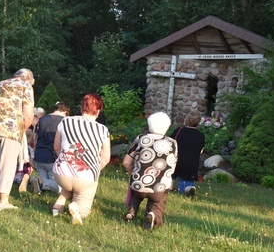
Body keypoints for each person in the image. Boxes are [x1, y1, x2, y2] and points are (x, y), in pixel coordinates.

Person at [51, 93, 111, 224]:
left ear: (81, 108)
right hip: (85, 176)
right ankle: (76, 207)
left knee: (71, 183)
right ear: (98, 111)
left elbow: (56, 147)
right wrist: (94, 169)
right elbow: (105, 158)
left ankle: (58, 204)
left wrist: (64, 161)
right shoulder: (102, 130)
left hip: (61, 173)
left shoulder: (65, 121)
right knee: (84, 211)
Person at [0, 69, 35, 211]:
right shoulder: (26, 87)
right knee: (7, 165)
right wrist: (23, 130)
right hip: (11, 128)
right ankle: (4, 202)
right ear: (29, 79)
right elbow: (28, 113)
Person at [123, 112, 178, 230]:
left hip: (138, 183)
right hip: (159, 186)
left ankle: (131, 212)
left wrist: (132, 172)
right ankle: (153, 215)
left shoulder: (141, 139)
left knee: (136, 193)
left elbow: (126, 162)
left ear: (149, 125)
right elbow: (172, 166)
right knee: (158, 202)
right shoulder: (172, 143)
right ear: (167, 127)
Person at [32, 101, 70, 194]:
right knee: (58, 187)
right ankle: (31, 182)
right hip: (52, 157)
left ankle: (39, 183)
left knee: (42, 181)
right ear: (65, 112)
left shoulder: (41, 119)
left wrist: (33, 155)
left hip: (39, 156)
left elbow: (35, 138)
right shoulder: (64, 121)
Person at [169, 111, 204, 198]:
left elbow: (170, 142)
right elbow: (201, 150)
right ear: (198, 122)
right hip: (192, 163)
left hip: (177, 160)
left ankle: (169, 186)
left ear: (186, 120)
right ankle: (187, 189)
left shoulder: (179, 131)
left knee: (171, 174)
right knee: (187, 180)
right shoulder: (200, 135)